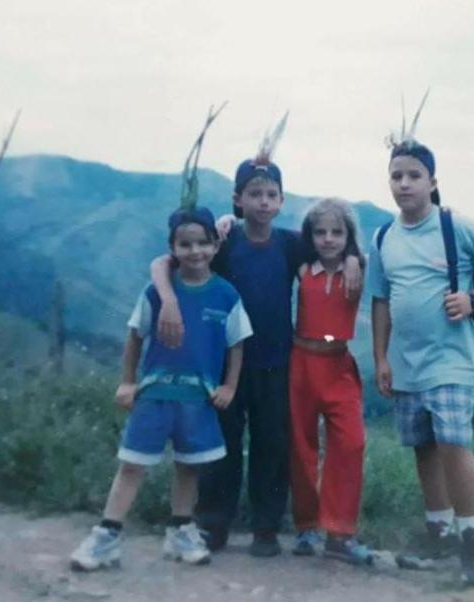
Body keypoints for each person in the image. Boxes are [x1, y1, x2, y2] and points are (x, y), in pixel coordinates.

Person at [151, 153, 362, 557]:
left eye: (271, 194)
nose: (263, 202)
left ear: (281, 200)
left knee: (271, 445)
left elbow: (331, 248)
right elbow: (165, 262)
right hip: (226, 361)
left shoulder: (290, 244)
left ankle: (266, 528)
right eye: (254, 194)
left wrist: (352, 257)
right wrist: (167, 299)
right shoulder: (225, 242)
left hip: (277, 361)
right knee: (223, 444)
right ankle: (214, 524)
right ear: (238, 199)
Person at [70, 206, 251, 570]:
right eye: (185, 244)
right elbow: (135, 335)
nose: (195, 251)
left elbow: (237, 344)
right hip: (154, 394)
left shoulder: (226, 295)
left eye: (202, 243)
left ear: (215, 246)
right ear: (173, 248)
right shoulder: (155, 294)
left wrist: (229, 386)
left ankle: (180, 531)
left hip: (198, 398)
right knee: (132, 464)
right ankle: (106, 535)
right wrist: (128, 381)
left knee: (189, 467)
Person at [368, 141, 474, 586]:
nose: (404, 184)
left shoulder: (455, 227)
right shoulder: (384, 238)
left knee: (453, 442)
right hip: (406, 361)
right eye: (397, 176)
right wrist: (380, 358)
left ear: (432, 182)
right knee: (424, 446)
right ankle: (439, 534)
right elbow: (380, 300)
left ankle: (473, 543)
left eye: (414, 175)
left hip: (452, 357)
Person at [289, 198, 370, 565]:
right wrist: (228, 219)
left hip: (338, 365)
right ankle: (306, 526)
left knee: (351, 443)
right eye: (320, 232)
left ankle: (339, 531)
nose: (328, 239)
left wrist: (353, 258)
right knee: (301, 446)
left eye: (337, 232)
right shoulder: (303, 268)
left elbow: (368, 257)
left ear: (348, 236)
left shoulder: (359, 268)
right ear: (310, 235)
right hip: (302, 363)